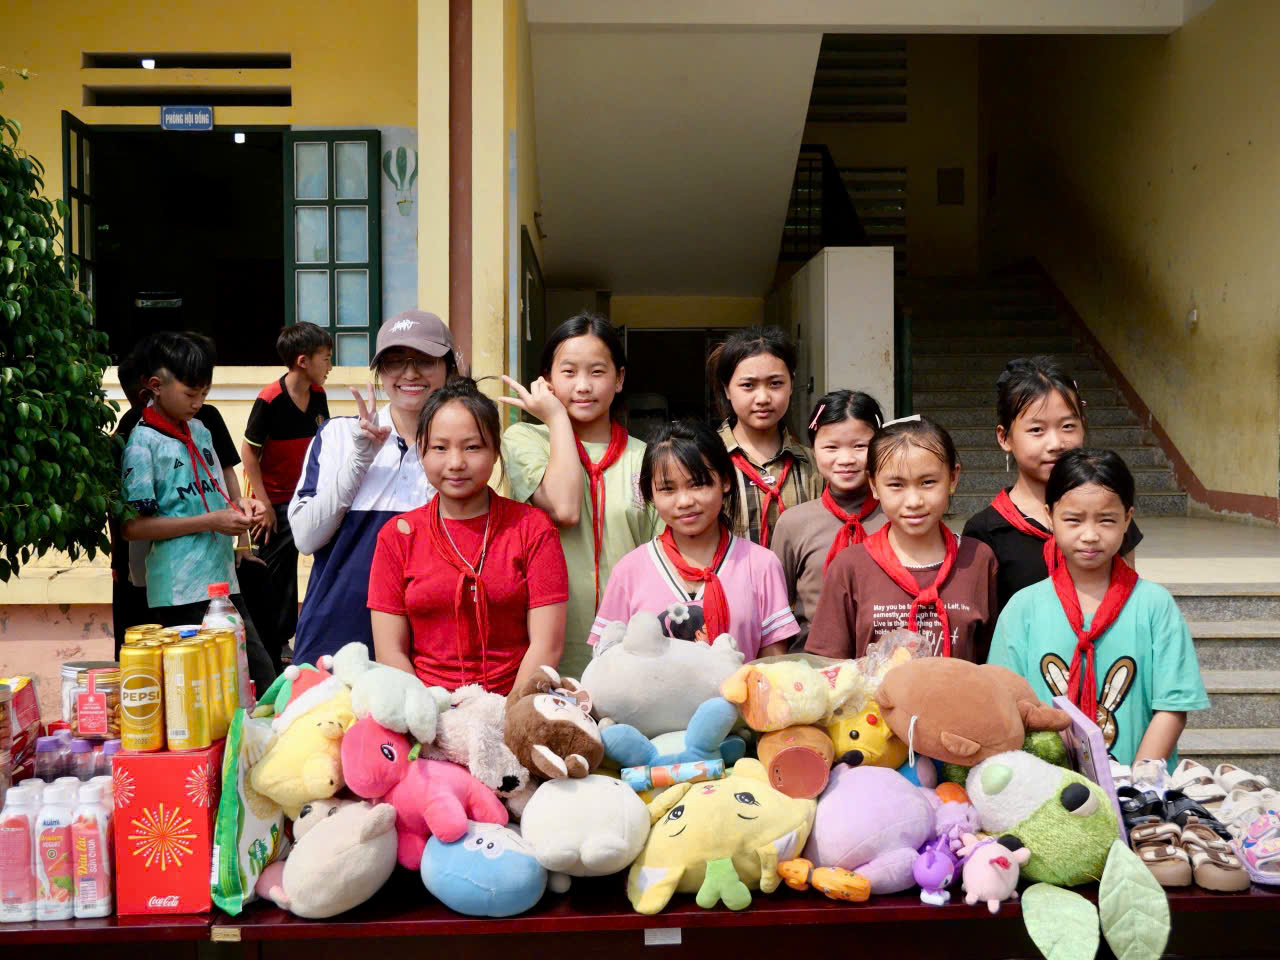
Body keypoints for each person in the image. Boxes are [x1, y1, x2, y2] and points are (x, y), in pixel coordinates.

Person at [988, 449, 1207, 767]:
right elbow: (1006, 703)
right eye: (1073, 520)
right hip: (1046, 785)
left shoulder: (1154, 606)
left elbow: (1172, 707)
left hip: (1138, 787)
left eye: (1106, 520)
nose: (1090, 536)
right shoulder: (1023, 609)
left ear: (1127, 518)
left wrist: (1138, 783)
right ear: (1050, 516)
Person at [368, 377, 569, 694]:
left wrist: (509, 714)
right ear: (422, 452)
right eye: (440, 447)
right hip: (425, 708)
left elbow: (547, 646)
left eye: (472, 447)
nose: (456, 463)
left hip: (514, 704)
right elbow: (389, 652)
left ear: (495, 451)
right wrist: (427, 714)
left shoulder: (533, 528)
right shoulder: (396, 537)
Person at [289, 310, 460, 666]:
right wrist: (358, 462)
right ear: (380, 371)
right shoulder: (338, 435)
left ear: (449, 368)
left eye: (425, 360)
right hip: (333, 644)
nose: (410, 373)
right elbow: (306, 538)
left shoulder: (463, 450)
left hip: (427, 651)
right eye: (395, 361)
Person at [499, 314, 660, 678]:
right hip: (544, 651)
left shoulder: (646, 457)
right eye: (569, 372)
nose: (583, 386)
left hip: (631, 655)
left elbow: (662, 557)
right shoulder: (524, 440)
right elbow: (564, 509)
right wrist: (556, 419)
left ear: (619, 379)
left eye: (597, 372)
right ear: (547, 381)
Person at [119, 332, 276, 693]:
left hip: (222, 583)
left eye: (204, 393)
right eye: (191, 394)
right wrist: (212, 521)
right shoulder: (142, 445)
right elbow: (133, 528)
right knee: (207, 691)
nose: (198, 403)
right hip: (180, 592)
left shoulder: (201, 430)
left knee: (256, 679)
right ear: (156, 386)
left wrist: (241, 507)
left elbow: (216, 495)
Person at [589, 419, 798, 660]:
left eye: (698, 484)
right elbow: (607, 661)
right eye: (667, 489)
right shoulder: (629, 571)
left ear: (725, 481)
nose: (685, 501)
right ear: (650, 494)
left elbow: (772, 667)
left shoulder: (761, 565)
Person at [807, 416, 997, 662]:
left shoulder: (978, 559)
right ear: (874, 485)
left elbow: (991, 661)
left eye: (928, 482)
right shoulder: (850, 566)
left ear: (953, 478)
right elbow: (829, 666)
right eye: (896, 485)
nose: (913, 501)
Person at [962, 356, 1143, 614]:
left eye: (1068, 426)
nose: (1056, 443)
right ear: (1004, 437)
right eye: (1037, 430)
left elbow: (1128, 601)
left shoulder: (1108, 511)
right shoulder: (986, 531)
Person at [240, 322, 333, 670]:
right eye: (326, 358)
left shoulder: (319, 395)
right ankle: (271, 653)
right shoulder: (269, 400)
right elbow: (249, 453)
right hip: (274, 505)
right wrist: (264, 505)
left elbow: (324, 444)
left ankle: (301, 640)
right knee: (274, 581)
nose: (330, 366)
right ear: (303, 361)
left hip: (307, 500)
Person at [770, 390, 887, 651]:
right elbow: (775, 614)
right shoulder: (794, 523)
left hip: (885, 662)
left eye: (860, 446)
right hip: (811, 664)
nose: (846, 459)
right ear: (813, 450)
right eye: (831, 447)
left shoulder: (897, 518)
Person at [708, 327, 822, 547]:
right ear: (727, 389)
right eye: (748, 385)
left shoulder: (815, 464)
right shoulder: (705, 461)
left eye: (775, 383)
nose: (762, 398)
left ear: (791, 384)